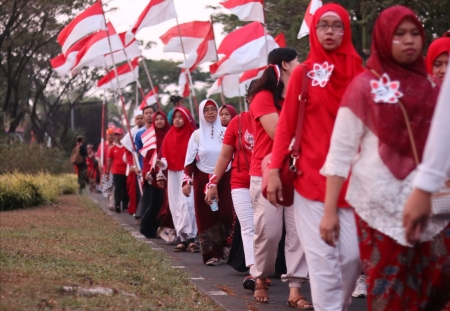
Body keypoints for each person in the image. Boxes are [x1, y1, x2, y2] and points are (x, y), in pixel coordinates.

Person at [319, 6, 450, 310]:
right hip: (379, 205)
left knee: (435, 285)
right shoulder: (364, 88)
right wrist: (329, 212)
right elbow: (340, 154)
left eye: (415, 33)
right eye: (399, 34)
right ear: (383, 39)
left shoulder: (433, 89)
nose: (409, 41)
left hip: (432, 204)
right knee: (390, 292)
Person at [267, 4, 365, 310]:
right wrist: (273, 169)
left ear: (346, 29)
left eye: (337, 26)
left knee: (352, 257)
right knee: (322, 260)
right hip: (309, 179)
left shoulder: (363, 75)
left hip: (355, 183)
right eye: (324, 26)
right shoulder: (303, 74)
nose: (331, 32)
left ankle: (338, 303)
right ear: (315, 31)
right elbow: (284, 126)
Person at [244, 47, 312, 308]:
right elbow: (278, 133)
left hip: (297, 171)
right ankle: (261, 277)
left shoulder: (301, 94)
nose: (301, 64)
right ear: (285, 65)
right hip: (266, 173)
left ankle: (295, 288)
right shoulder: (262, 96)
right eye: (297, 61)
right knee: (269, 233)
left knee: (298, 233)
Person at [205, 87, 255, 284]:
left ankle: (267, 267)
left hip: (267, 182)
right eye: (254, 97)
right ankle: (256, 273)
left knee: (267, 229)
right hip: (240, 181)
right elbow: (225, 155)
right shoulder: (239, 122)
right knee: (249, 227)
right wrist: (213, 182)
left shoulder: (275, 120)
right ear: (248, 99)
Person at [182, 99, 234, 266]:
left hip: (225, 177)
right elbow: (189, 160)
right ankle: (211, 254)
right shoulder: (196, 136)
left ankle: (224, 244)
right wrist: (186, 181)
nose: (210, 113)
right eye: (207, 110)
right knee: (206, 216)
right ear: (201, 114)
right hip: (202, 177)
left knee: (226, 212)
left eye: (213, 109)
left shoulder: (226, 131)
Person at [158, 107, 199, 252]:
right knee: (176, 205)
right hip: (173, 175)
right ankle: (182, 239)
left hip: (188, 173)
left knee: (189, 205)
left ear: (187, 118)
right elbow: (165, 158)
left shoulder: (193, 135)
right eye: (175, 117)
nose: (177, 120)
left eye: (180, 117)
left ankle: (192, 238)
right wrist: (161, 164)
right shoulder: (169, 136)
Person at [139, 111, 170, 238]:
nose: (159, 121)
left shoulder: (170, 134)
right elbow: (147, 157)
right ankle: (148, 228)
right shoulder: (151, 137)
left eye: (161, 119)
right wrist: (146, 172)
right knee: (155, 203)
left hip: (169, 174)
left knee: (167, 203)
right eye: (156, 119)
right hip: (154, 175)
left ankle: (164, 230)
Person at [106, 128, 129, 213]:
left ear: (123, 135)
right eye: (116, 135)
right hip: (117, 171)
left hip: (126, 171)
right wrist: (107, 172)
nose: (118, 137)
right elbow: (109, 161)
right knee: (118, 189)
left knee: (126, 189)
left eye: (120, 135)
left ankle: (125, 205)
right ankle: (118, 204)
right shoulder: (112, 148)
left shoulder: (127, 147)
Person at [96, 128, 116, 209]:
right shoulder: (102, 145)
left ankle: (112, 202)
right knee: (106, 187)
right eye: (109, 135)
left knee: (113, 187)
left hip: (114, 169)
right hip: (105, 169)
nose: (111, 136)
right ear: (106, 135)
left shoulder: (116, 144)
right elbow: (99, 157)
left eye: (112, 135)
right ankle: (110, 201)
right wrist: (99, 165)